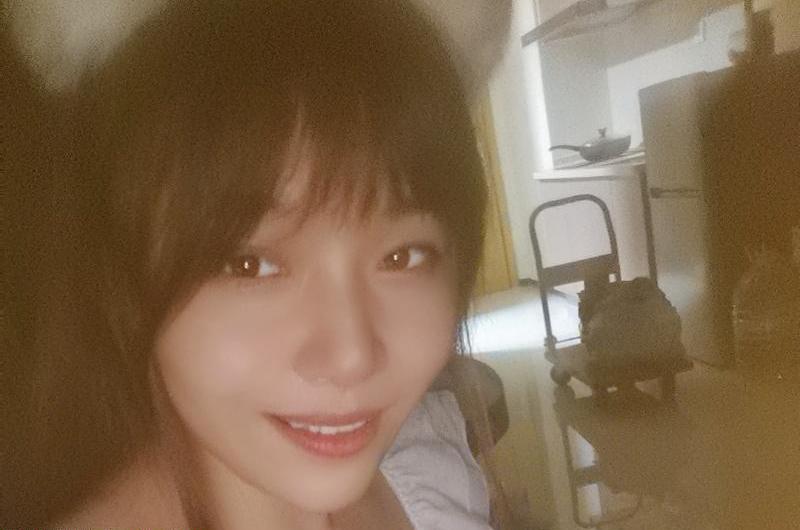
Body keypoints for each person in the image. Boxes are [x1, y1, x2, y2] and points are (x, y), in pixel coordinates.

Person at [4, 0, 508, 527]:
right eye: (250, 266)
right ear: (125, 275)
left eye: (402, 257)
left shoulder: (424, 477)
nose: (351, 357)